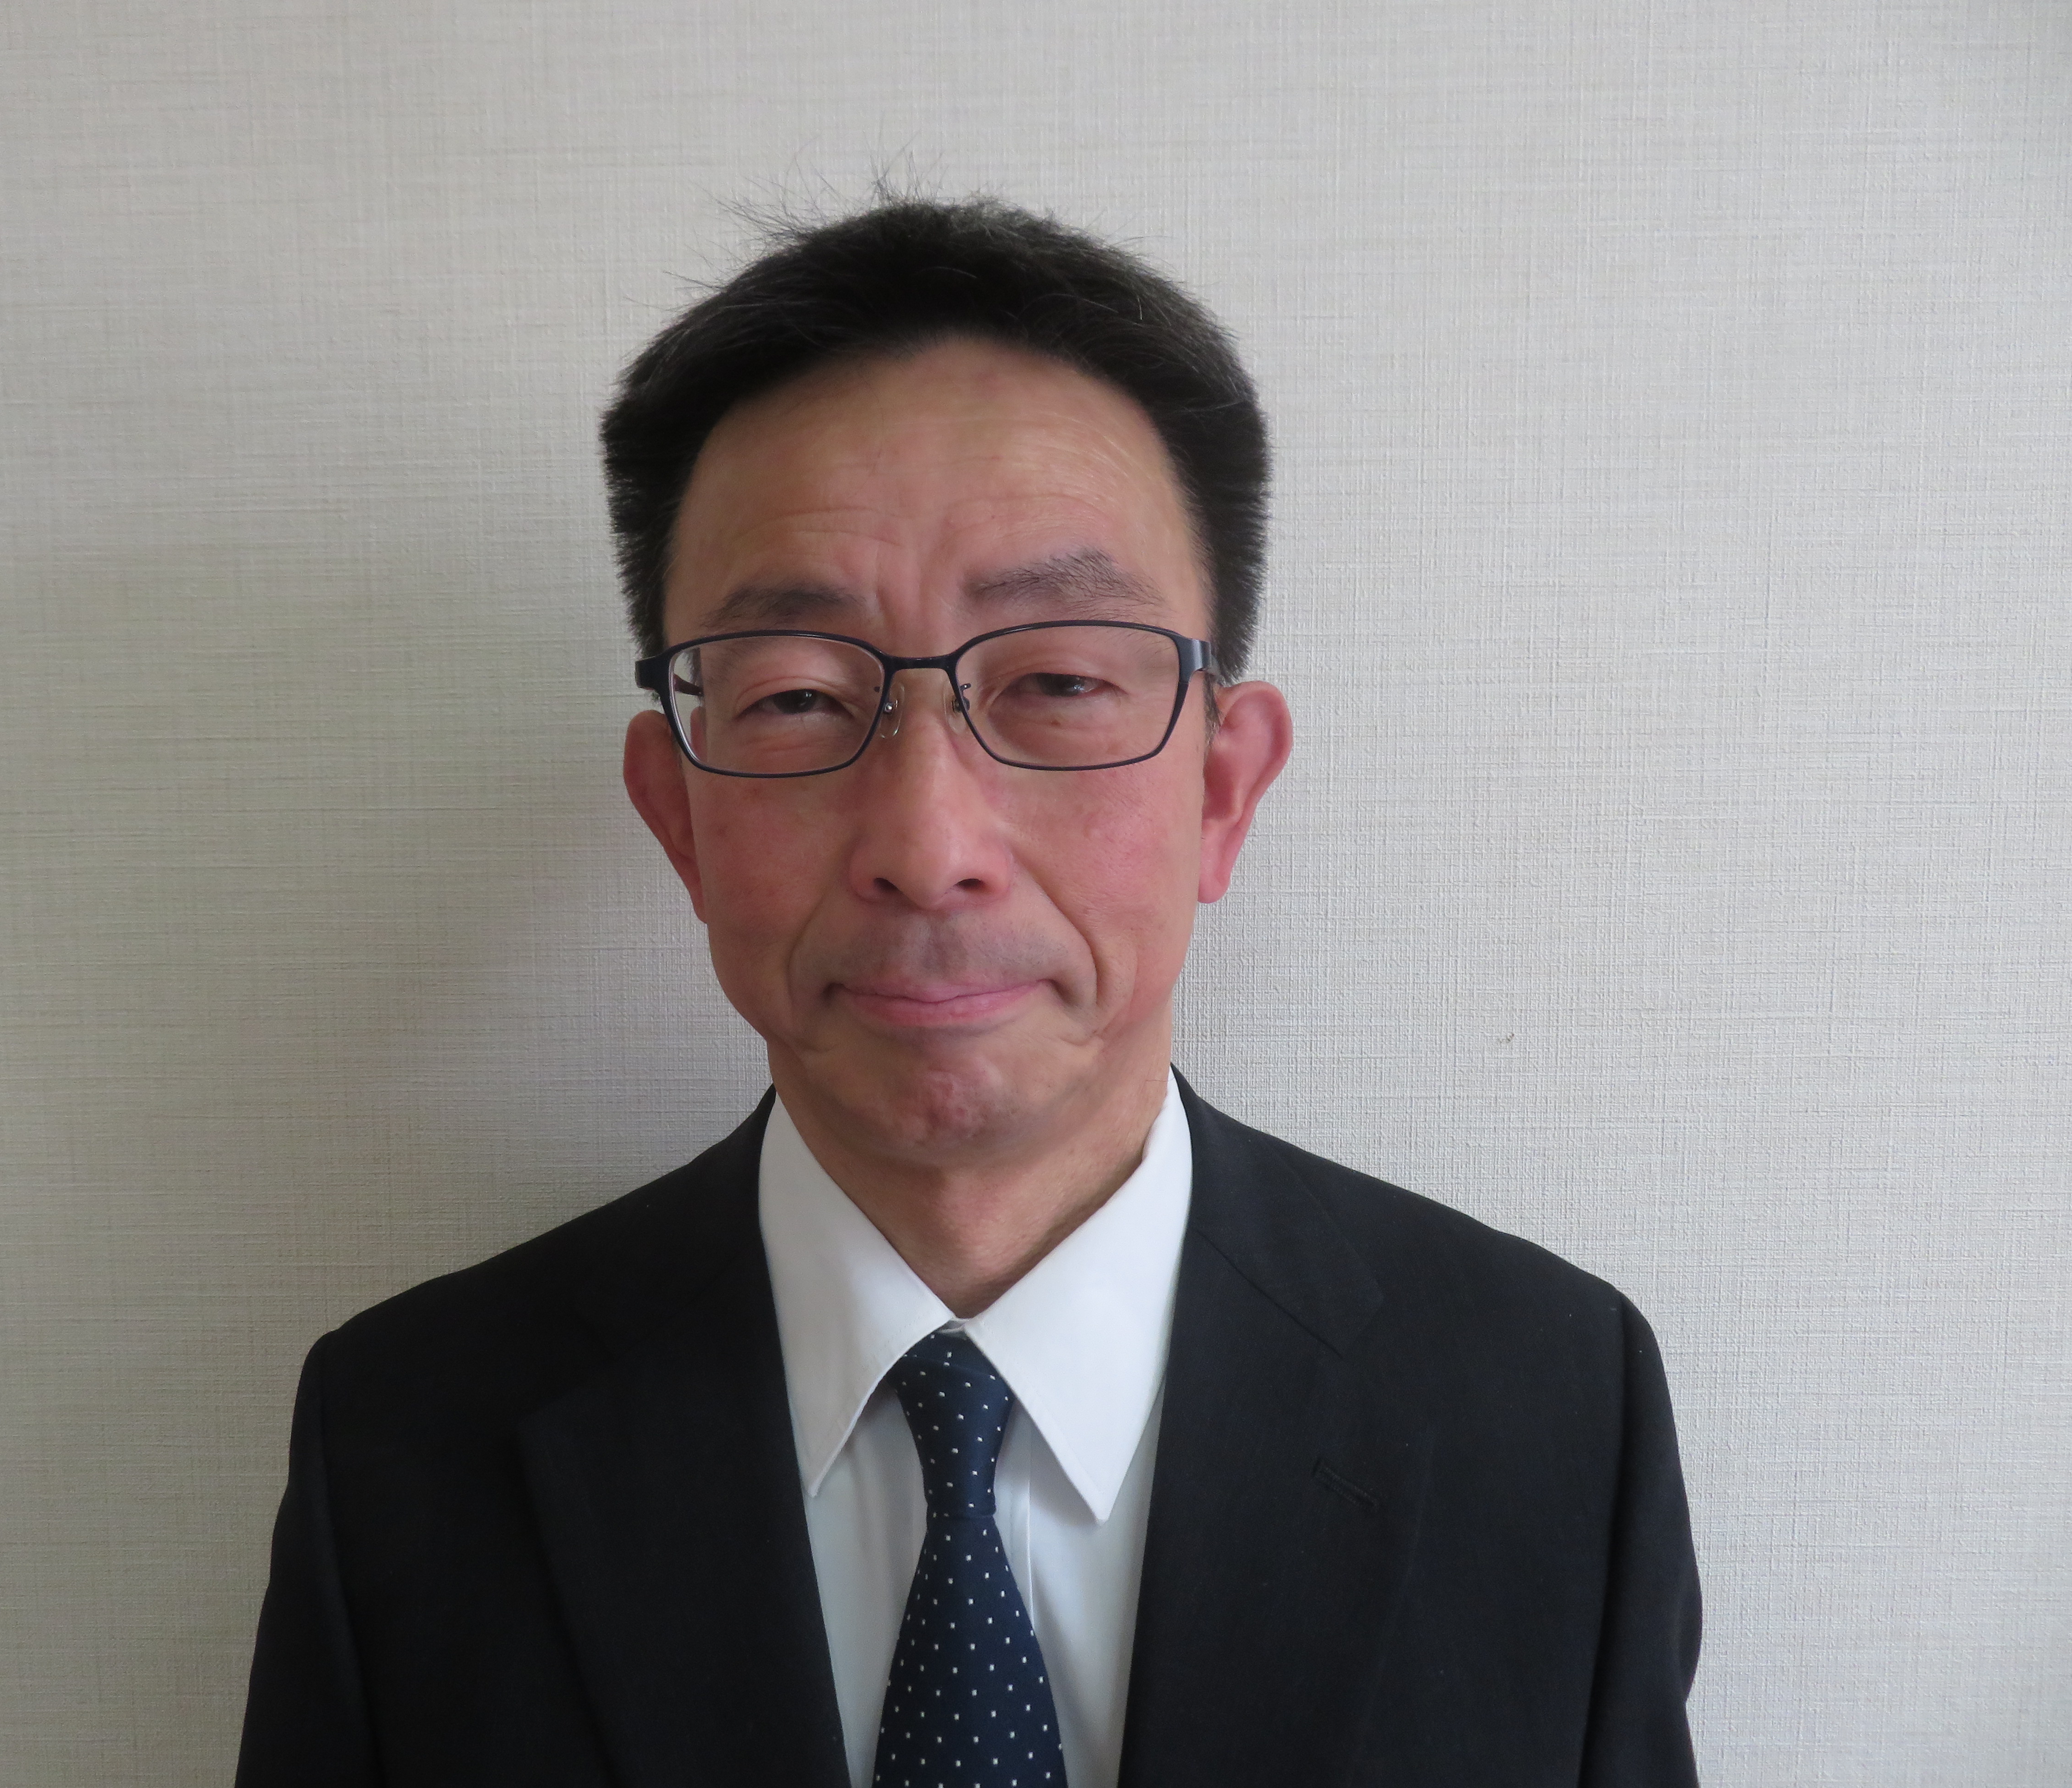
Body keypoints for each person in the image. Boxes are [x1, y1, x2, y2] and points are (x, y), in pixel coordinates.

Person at [234, 196, 1701, 1788]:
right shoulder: (410, 1438)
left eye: (1059, 681)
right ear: (677, 816)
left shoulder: (1547, 1409)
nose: (929, 852)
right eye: (799, 698)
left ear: (1223, 790)